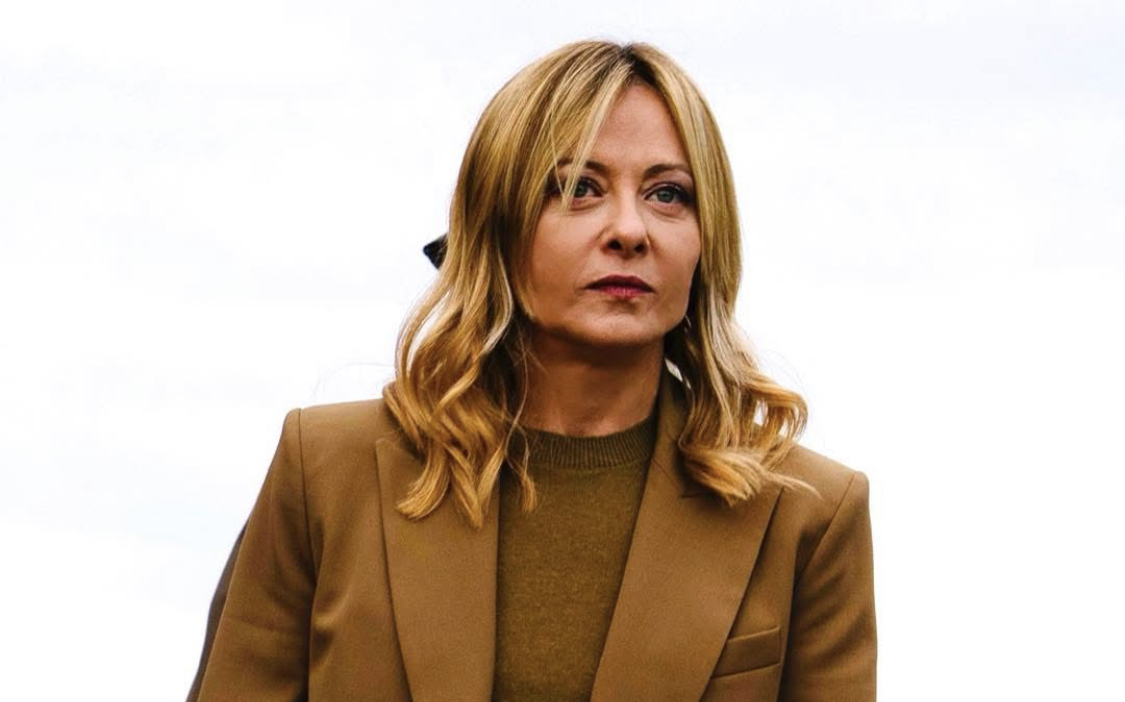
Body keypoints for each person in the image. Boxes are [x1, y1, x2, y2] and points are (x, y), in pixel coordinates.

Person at [188, 40, 876, 702]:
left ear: (707, 239)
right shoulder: (324, 472)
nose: (629, 230)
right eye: (577, 188)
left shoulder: (807, 513)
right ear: (497, 224)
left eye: (668, 194)